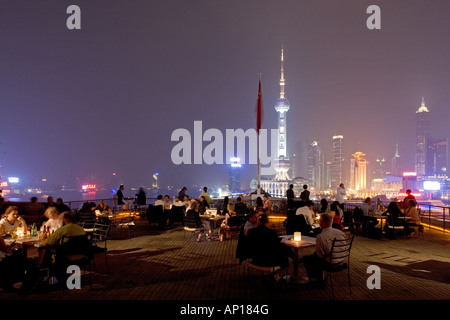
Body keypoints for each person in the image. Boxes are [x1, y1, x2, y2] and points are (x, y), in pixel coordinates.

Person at [37, 212, 88, 282]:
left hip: (67, 256)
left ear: (65, 220)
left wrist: (42, 239)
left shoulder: (63, 229)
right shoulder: (81, 229)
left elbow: (47, 243)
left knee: (45, 251)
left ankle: (45, 273)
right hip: (82, 255)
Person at [300, 213, 347, 286]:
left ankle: (317, 281)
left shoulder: (321, 236)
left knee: (307, 259)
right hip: (341, 261)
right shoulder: (340, 232)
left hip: (331, 264)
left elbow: (320, 256)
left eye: (320, 221)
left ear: (323, 222)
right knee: (313, 256)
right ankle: (321, 278)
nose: (319, 223)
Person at [247, 214, 293, 282]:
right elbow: (277, 247)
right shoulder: (271, 233)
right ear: (267, 222)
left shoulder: (251, 232)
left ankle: (270, 275)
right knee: (290, 257)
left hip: (256, 260)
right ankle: (275, 277)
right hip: (269, 261)